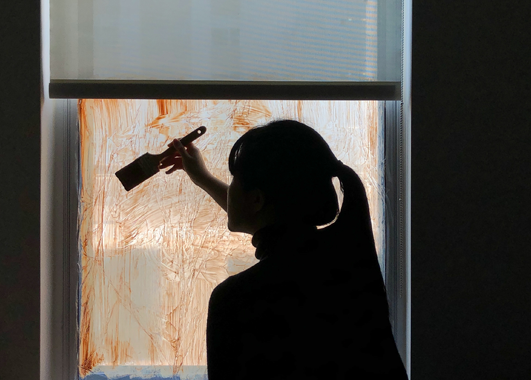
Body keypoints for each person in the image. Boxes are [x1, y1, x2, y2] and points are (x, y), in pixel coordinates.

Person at [159, 120, 408, 379]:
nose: (230, 188)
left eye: (235, 180)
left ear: (257, 199)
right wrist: (203, 178)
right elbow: (272, 224)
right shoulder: (344, 276)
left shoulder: (236, 300)